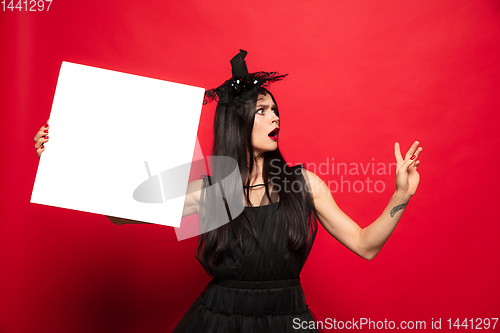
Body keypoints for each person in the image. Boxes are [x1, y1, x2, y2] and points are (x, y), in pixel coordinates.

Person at [34, 50, 422, 332]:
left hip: (288, 319)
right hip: (218, 321)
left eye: (275, 110)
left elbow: (365, 245)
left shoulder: (302, 184)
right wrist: (61, 154)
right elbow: (118, 213)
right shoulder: (214, 192)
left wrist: (400, 195)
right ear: (238, 124)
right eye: (263, 110)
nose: (275, 117)